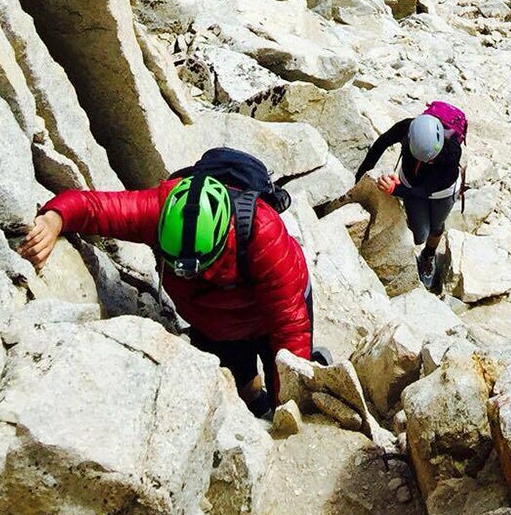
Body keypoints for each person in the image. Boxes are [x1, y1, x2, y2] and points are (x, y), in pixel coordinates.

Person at [18, 152, 316, 413]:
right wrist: (55, 217)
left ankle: (305, 386)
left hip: (269, 311)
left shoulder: (263, 234)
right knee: (242, 385)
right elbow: (97, 208)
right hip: (214, 322)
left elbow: (289, 326)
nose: (188, 275)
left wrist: (288, 409)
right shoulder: (161, 209)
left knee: (283, 380)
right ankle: (255, 398)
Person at [356, 103, 466, 288]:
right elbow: (381, 143)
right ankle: (419, 241)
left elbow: (425, 192)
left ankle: (428, 256)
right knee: (419, 234)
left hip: (441, 192)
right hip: (410, 182)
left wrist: (395, 190)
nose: (428, 161)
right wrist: (360, 177)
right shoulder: (408, 128)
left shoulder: (452, 152)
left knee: (436, 226)